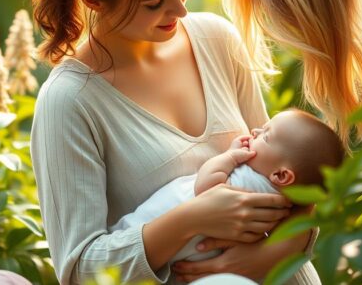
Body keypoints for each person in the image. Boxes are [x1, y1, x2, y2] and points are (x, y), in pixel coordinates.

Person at [8, 0, 362, 284]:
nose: (180, 9)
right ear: (94, 0)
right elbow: (81, 270)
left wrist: (271, 254)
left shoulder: (216, 40)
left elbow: (293, 183)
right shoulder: (70, 101)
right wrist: (192, 218)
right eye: (155, 2)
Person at [111, 109, 345, 275]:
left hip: (144, 232)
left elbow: (206, 189)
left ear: (281, 175)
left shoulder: (247, 180)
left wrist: (228, 157)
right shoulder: (284, 207)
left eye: (265, 135)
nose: (254, 130)